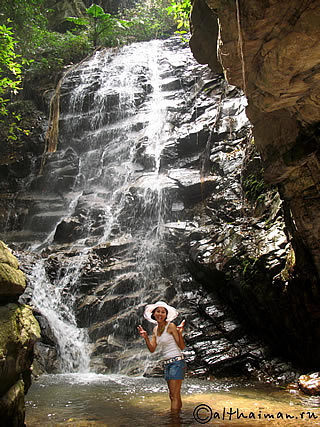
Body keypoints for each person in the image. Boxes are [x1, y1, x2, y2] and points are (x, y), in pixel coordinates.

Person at [137, 300, 186, 413]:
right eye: (158, 311)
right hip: (167, 363)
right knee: (173, 395)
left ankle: (174, 420)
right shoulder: (155, 330)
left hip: (177, 362)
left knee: (174, 395)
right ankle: (178, 419)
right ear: (153, 314)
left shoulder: (171, 326)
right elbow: (152, 349)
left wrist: (179, 333)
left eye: (163, 312)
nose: (160, 314)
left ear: (166, 314)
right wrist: (145, 337)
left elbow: (182, 347)